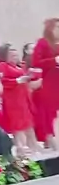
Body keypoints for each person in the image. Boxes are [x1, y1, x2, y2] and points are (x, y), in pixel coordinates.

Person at [0, 45, 37, 153]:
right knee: (17, 124)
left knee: (28, 123)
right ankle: (21, 147)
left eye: (16, 54)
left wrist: (28, 76)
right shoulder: (2, 66)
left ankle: (33, 146)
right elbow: (3, 81)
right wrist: (17, 81)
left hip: (23, 98)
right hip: (13, 100)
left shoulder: (18, 66)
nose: (14, 56)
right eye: (12, 54)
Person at [32, 20, 59, 149]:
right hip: (51, 82)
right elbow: (36, 62)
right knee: (53, 113)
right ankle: (53, 139)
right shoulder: (42, 42)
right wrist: (54, 60)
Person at [23, 43, 46, 145]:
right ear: (26, 51)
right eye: (33, 48)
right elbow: (28, 85)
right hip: (34, 98)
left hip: (46, 96)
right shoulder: (25, 66)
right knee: (39, 122)